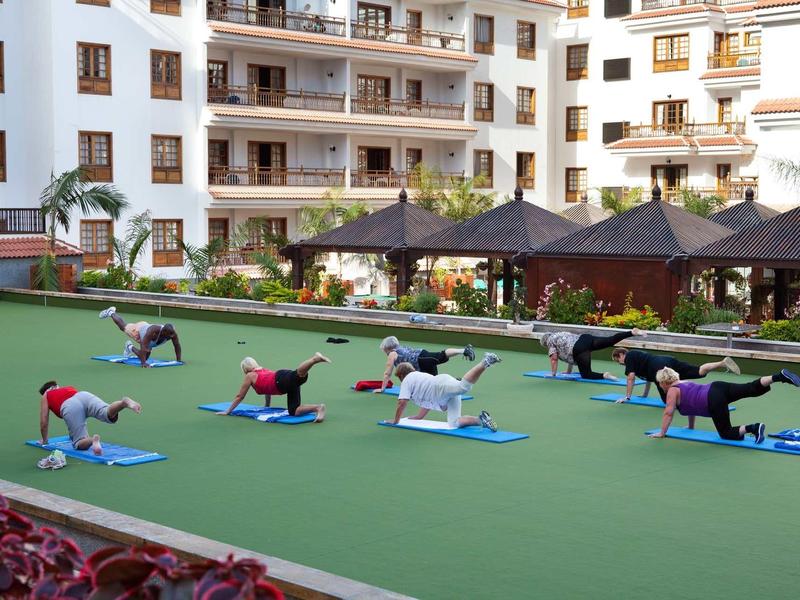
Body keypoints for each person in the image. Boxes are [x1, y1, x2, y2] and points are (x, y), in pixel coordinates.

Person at [648, 366, 800, 443]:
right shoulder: (684, 383)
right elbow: (690, 407)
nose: (660, 386)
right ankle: (779, 376)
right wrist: (691, 426)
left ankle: (753, 428)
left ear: (663, 382)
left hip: (713, 399)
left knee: (726, 433)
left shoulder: (672, 391)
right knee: (750, 388)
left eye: (660, 383)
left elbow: (668, 412)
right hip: (718, 387)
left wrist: (662, 432)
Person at [383, 352, 502, 431]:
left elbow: (402, 402)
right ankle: (481, 419)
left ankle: (486, 361)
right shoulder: (417, 378)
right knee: (454, 423)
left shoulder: (407, 379)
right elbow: (426, 400)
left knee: (463, 387)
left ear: (401, 375)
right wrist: (419, 416)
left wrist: (396, 420)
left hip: (439, 387)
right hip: (442, 392)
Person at [38, 381, 142, 459]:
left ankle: (93, 440)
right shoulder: (67, 388)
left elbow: (44, 422)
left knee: (79, 443)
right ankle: (122, 403)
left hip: (70, 406)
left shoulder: (46, 395)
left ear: (46, 390)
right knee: (107, 413)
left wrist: (45, 441)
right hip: (83, 395)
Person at [220, 354, 331, 422]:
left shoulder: (250, 376)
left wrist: (228, 411)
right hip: (284, 383)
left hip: (281, 380)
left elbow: (240, 396)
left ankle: (314, 359)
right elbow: (266, 390)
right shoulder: (263, 371)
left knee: (299, 375)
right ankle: (318, 407)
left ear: (244, 369)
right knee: (293, 411)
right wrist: (267, 406)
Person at [611, 347, 740, 403]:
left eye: (618, 360)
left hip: (659, 368)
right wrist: (645, 395)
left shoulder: (630, 357)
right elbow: (648, 379)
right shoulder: (637, 359)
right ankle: (722, 363)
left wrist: (627, 397)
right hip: (667, 360)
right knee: (698, 371)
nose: (620, 363)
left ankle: (693, 397)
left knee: (669, 400)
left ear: (621, 355)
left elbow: (631, 377)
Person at [377, 336, 475, 393]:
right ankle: (455, 382)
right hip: (421, 365)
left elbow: (387, 372)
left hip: (421, 358)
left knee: (441, 355)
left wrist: (382, 388)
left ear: (389, 349)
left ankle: (464, 350)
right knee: (435, 383)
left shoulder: (392, 354)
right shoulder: (401, 349)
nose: (385, 353)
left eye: (385, 350)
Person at [540, 329, 646, 381]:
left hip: (580, 348)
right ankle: (632, 332)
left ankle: (605, 375)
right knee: (611, 340)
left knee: (586, 374)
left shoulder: (550, 341)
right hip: (586, 338)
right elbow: (569, 349)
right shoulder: (560, 334)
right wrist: (568, 371)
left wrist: (553, 374)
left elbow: (554, 358)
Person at [99, 306, 181, 368]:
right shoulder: (152, 331)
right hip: (139, 330)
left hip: (147, 333)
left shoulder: (172, 334)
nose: (172, 336)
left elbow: (177, 346)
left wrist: (178, 360)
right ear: (164, 332)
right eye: (170, 334)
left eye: (172, 334)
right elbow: (144, 346)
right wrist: (143, 363)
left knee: (145, 356)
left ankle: (129, 347)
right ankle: (111, 312)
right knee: (123, 327)